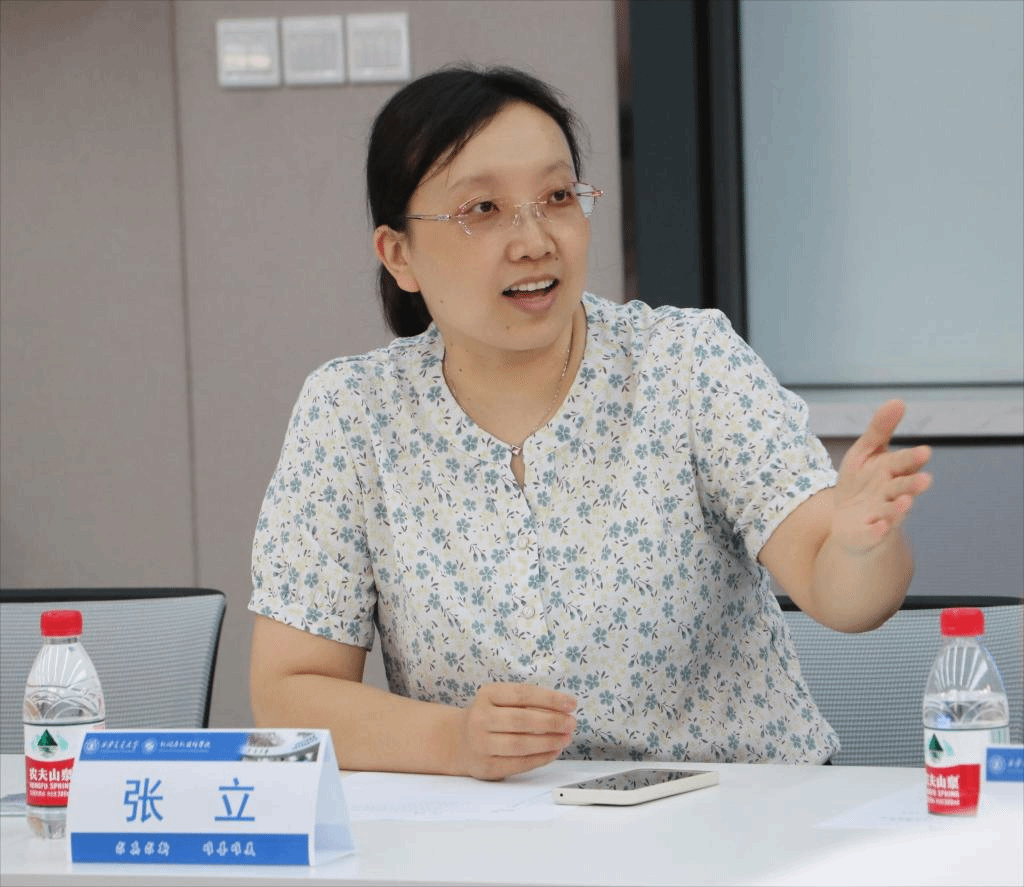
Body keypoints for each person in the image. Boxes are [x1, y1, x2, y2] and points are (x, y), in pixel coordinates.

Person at [248, 65, 933, 780]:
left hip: (735, 816)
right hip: (497, 828)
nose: (534, 240)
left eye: (557, 197)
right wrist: (453, 741)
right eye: (483, 208)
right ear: (399, 256)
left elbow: (840, 591)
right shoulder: (351, 411)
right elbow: (290, 693)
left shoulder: (686, 362)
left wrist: (859, 546)